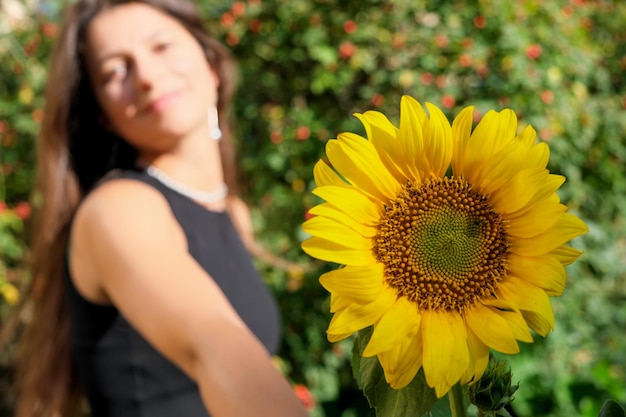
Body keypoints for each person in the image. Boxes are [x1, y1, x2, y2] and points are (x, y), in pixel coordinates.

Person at [13, 0, 309, 416]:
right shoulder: (118, 210)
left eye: (162, 47)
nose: (148, 77)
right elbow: (213, 344)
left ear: (210, 63)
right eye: (116, 70)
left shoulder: (233, 213)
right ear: (104, 116)